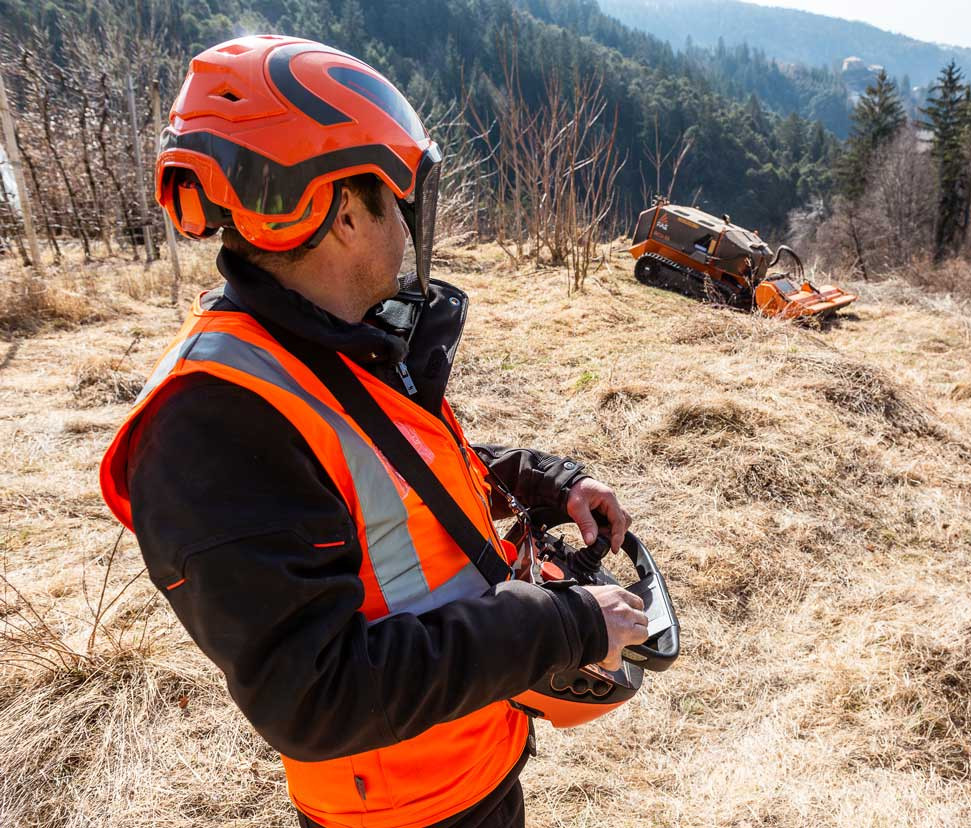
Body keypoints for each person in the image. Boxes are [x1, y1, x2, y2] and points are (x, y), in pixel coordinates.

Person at [98, 35, 649, 828]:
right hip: (402, 809)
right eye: (402, 201)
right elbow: (317, 694)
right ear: (346, 210)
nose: (412, 227)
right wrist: (567, 623)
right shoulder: (210, 425)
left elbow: (392, 474)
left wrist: (544, 482)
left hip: (468, 754)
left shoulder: (319, 341)